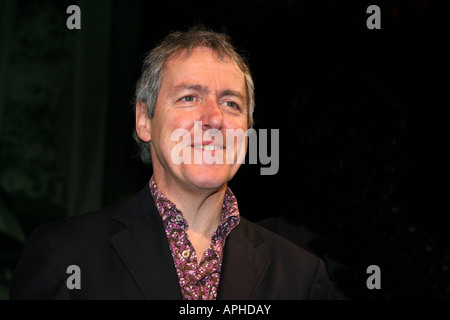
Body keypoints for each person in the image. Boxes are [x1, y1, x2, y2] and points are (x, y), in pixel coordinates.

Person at [10, 26, 339, 300]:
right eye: (189, 97)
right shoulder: (66, 256)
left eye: (231, 103)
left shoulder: (301, 277)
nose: (214, 118)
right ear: (144, 120)